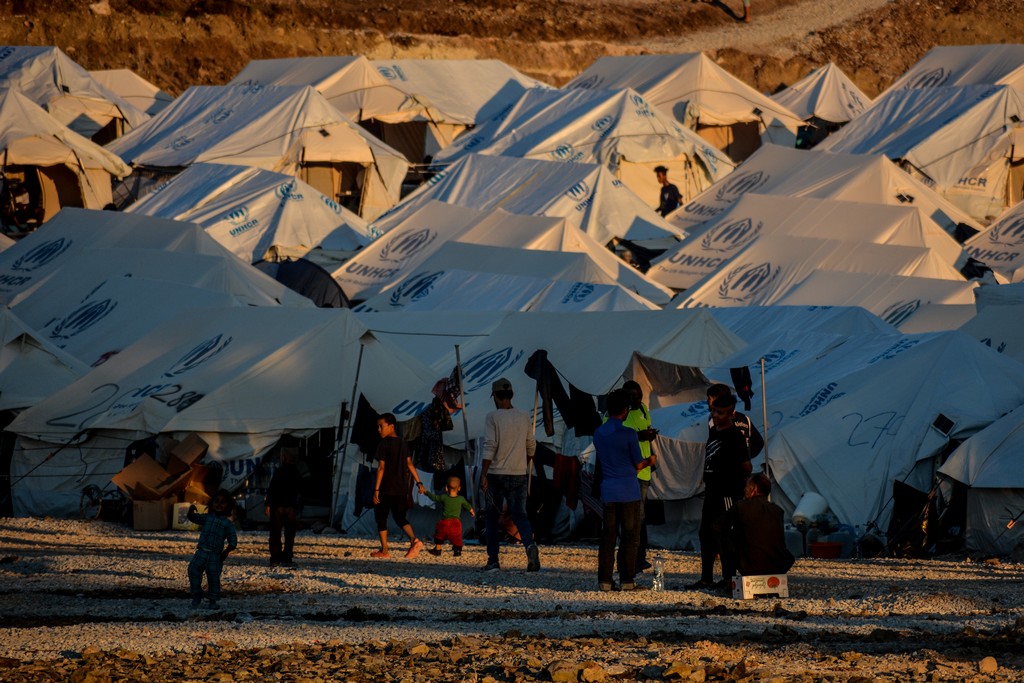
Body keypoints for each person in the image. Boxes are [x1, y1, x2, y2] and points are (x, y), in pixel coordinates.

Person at [688, 393, 753, 590]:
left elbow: (747, 466)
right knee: (706, 533)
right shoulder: (714, 432)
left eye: (720, 412)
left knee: (726, 534)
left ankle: (728, 578)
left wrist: (730, 473)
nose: (715, 415)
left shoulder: (735, 437)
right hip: (712, 490)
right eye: (714, 411)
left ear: (731, 414)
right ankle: (706, 577)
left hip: (728, 492)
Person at [593, 389, 653, 591]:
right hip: (628, 490)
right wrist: (650, 461)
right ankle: (627, 580)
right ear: (626, 410)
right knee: (630, 537)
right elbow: (637, 464)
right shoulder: (628, 434)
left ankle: (605, 581)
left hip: (608, 490)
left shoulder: (599, 433)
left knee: (608, 537)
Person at [480, 377, 540, 573]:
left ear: (495, 396)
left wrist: (483, 474)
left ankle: (493, 561)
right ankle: (530, 546)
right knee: (520, 515)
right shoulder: (523, 416)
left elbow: (490, 446)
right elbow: (531, 445)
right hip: (519, 473)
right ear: (512, 395)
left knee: (492, 517)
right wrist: (524, 463)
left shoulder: (493, 417)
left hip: (496, 474)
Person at [714, 473, 795, 579]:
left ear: (754, 488)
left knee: (725, 536)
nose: (745, 489)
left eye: (747, 486)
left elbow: (718, 526)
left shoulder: (741, 506)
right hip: (778, 566)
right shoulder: (777, 510)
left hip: (750, 566)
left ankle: (728, 580)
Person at [372, 412, 425, 559]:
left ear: (391, 426)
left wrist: (376, 489)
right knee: (400, 517)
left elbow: (381, 468)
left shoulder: (383, 444)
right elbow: (409, 464)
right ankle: (415, 540)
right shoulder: (403, 443)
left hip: (386, 487)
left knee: (381, 517)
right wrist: (419, 483)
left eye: (381, 426)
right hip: (401, 488)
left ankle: (385, 550)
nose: (379, 429)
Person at [621, 381, 658, 572]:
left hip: (643, 470)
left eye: (639, 396)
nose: (637, 400)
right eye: (633, 397)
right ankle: (630, 560)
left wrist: (650, 435)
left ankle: (639, 557)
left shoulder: (643, 409)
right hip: (628, 472)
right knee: (631, 516)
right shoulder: (620, 412)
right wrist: (640, 436)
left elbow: (645, 429)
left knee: (641, 517)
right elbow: (617, 436)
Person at [187, 490, 237, 609]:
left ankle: (213, 601)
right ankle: (197, 594)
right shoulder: (207, 517)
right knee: (192, 570)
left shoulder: (228, 524)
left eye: (223, 502)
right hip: (202, 551)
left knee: (214, 579)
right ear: (211, 504)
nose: (219, 504)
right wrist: (190, 511)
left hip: (216, 555)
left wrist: (226, 552)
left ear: (228, 506)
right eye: (216, 502)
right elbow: (194, 518)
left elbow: (233, 541)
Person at [706, 383, 764, 462]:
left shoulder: (716, 420)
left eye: (710, 398)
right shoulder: (743, 418)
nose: (708, 401)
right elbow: (759, 443)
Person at [264, 448, 303, 567]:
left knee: (275, 533)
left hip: (278, 506)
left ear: (283, 458)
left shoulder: (279, 472)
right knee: (289, 534)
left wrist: (267, 504)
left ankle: (275, 558)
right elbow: (299, 491)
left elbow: (272, 489)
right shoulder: (297, 473)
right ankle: (287, 557)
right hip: (290, 507)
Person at [420, 476, 475, 556]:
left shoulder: (444, 497)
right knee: (457, 538)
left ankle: (438, 549)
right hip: (456, 523)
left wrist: (426, 492)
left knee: (439, 535)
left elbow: (434, 498)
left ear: (446, 488)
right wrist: (471, 511)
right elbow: (467, 506)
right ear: (459, 488)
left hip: (444, 522)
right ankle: (457, 551)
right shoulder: (461, 499)